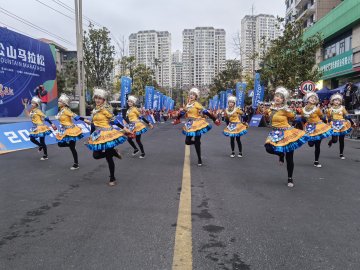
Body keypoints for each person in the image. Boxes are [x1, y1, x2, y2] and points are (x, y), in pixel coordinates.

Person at [264, 87, 309, 187]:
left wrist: (291, 110)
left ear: (283, 100)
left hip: (287, 133)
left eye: (280, 97)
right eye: (276, 96)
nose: (277, 98)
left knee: (289, 156)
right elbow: (268, 118)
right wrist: (265, 113)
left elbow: (293, 116)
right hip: (275, 133)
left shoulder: (285, 109)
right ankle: (280, 155)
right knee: (268, 148)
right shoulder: (271, 109)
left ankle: (290, 178)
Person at [86, 88, 130, 186]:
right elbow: (93, 124)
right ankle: (114, 152)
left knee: (109, 158)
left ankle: (112, 178)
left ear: (104, 100)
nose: (97, 100)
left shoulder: (105, 109)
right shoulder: (94, 110)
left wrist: (123, 128)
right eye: (96, 98)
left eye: (100, 98)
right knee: (96, 156)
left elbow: (114, 120)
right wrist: (91, 137)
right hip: (97, 134)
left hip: (107, 134)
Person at [173, 87, 220, 166]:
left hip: (198, 123)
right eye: (191, 94)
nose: (191, 96)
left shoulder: (197, 104)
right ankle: (196, 143)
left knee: (197, 140)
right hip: (190, 124)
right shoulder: (188, 104)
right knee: (187, 141)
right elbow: (182, 113)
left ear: (196, 97)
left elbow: (206, 112)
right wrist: (177, 119)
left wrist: (214, 119)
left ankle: (199, 159)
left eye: (193, 95)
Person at [55, 94, 88, 170]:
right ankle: (71, 146)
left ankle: (76, 164)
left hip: (71, 130)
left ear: (64, 103)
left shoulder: (66, 110)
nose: (58, 102)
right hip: (64, 130)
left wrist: (85, 120)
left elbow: (75, 116)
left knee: (72, 148)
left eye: (60, 101)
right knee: (60, 144)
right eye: (59, 101)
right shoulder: (61, 110)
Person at [301, 92, 333, 168]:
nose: (313, 99)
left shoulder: (317, 109)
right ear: (307, 99)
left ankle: (316, 161)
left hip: (318, 127)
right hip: (309, 127)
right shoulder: (303, 110)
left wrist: (327, 122)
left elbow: (321, 116)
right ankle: (312, 141)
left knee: (317, 145)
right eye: (311, 98)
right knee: (310, 144)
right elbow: (303, 119)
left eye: (314, 98)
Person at [327, 93, 355, 159]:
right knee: (335, 140)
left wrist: (352, 122)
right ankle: (331, 141)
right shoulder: (329, 109)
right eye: (335, 100)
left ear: (340, 102)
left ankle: (341, 154)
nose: (337, 101)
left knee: (341, 140)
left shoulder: (342, 108)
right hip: (333, 125)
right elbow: (328, 118)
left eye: (338, 100)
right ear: (332, 101)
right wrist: (327, 125)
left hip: (342, 124)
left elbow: (347, 116)